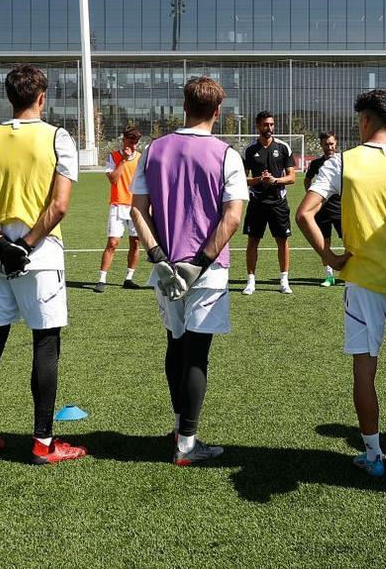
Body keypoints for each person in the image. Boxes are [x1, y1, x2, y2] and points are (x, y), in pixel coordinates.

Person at [297, 89, 386, 477]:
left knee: (365, 367)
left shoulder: (342, 163)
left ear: (364, 121)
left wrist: (329, 257)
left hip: (362, 282)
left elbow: (305, 214)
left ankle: (374, 457)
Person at [0, 64, 86, 464]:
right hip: (42, 256)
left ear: (9, 97)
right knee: (46, 345)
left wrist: (2, 243)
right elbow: (60, 204)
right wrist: (27, 244)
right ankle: (42, 443)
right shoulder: (58, 137)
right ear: (41, 97)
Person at [129, 76, 247, 465]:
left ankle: (180, 427)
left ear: (183, 106)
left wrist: (158, 255)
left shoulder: (154, 149)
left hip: (165, 269)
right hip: (206, 271)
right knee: (196, 355)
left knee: (175, 346)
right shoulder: (227, 154)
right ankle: (187, 443)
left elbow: (137, 210)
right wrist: (200, 262)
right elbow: (233, 216)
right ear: (217, 112)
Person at [242, 111, 295, 295]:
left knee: (282, 241)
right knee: (253, 241)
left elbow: (292, 177)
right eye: (266, 125)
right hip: (257, 202)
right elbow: (242, 179)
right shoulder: (249, 150)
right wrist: (259, 180)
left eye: (271, 124)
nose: (269, 128)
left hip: (278, 202)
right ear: (258, 126)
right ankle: (251, 281)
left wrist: (274, 180)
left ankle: (284, 280)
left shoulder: (283, 147)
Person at [96, 127, 143, 293]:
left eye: (136, 142)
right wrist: (122, 161)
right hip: (118, 204)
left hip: (136, 205)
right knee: (113, 242)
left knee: (135, 242)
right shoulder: (113, 156)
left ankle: (129, 278)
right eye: (131, 141)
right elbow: (113, 180)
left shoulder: (141, 158)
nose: (133, 145)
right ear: (124, 140)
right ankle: (102, 279)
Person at [304, 131, 342, 287]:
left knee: (350, 241)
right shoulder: (316, 163)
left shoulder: (343, 162)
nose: (329, 147)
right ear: (321, 145)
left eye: (332, 143)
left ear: (336, 143)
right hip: (322, 211)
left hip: (341, 209)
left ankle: (350, 273)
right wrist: (312, 196)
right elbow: (307, 180)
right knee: (324, 242)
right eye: (326, 144)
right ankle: (329, 276)